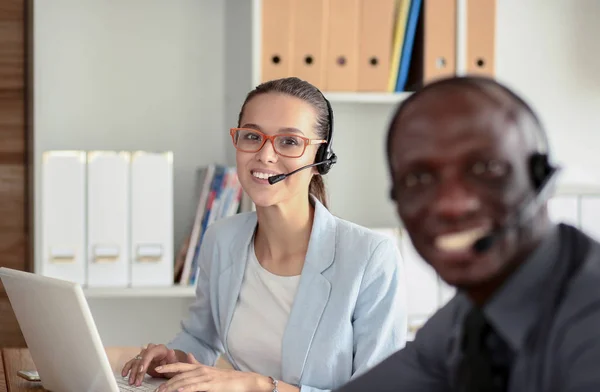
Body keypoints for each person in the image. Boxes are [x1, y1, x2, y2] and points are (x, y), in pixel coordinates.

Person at [121, 77, 407, 392]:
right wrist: (171, 358)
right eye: (251, 136)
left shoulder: (370, 257)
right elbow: (200, 339)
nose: (265, 155)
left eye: (288, 141)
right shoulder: (222, 239)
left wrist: (258, 386)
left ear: (320, 159)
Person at [335, 75, 600, 392]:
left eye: (486, 169)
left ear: (541, 179)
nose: (451, 204)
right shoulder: (470, 318)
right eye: (419, 178)